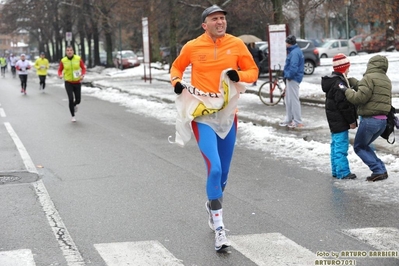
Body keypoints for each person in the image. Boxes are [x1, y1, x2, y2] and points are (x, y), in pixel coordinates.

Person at [170, 5, 258, 251]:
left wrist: (238, 75)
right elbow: (176, 68)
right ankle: (219, 228)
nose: (220, 22)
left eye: (222, 18)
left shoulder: (236, 45)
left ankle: (212, 203)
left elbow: (253, 71)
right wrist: (177, 82)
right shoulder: (193, 46)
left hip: (228, 114)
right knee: (215, 168)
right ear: (204, 25)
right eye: (214, 19)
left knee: (225, 173)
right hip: (202, 115)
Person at [341, 55, 391, 182]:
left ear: (371, 64)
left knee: (359, 146)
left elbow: (359, 98)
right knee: (364, 145)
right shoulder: (385, 79)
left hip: (370, 121)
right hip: (382, 122)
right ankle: (381, 169)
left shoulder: (368, 77)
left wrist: (347, 91)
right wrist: (355, 82)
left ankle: (378, 170)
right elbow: (369, 92)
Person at [321, 54, 357, 180]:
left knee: (335, 146)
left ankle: (336, 170)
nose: (349, 70)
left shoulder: (332, 81)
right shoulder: (339, 84)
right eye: (347, 68)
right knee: (341, 147)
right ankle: (343, 172)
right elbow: (344, 106)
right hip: (339, 120)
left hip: (334, 120)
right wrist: (352, 121)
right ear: (343, 68)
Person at [279, 35, 305, 128]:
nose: (285, 44)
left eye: (286, 42)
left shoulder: (294, 53)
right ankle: (290, 119)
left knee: (293, 100)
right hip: (293, 78)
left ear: (289, 43)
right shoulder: (296, 51)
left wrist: (288, 76)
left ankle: (297, 121)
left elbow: (293, 67)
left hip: (293, 78)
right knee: (289, 99)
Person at [58, 46, 86, 122]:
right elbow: (60, 70)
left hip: (77, 82)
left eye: (71, 50)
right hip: (68, 82)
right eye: (68, 50)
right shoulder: (63, 60)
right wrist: (60, 75)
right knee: (70, 98)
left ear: (73, 51)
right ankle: (73, 116)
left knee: (78, 100)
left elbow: (83, 68)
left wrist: (82, 75)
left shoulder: (78, 58)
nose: (69, 52)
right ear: (66, 52)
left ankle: (74, 105)